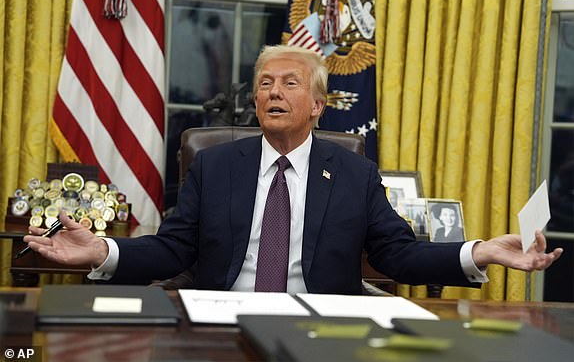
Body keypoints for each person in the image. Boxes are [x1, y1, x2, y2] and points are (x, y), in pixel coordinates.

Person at [24, 45, 562, 295]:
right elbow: (173, 250)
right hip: (220, 320)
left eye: (289, 83)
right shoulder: (215, 167)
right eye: (264, 83)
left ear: (317, 106)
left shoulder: (354, 175)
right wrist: (103, 250)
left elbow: (399, 254)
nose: (273, 92)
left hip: (321, 326)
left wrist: (480, 251)